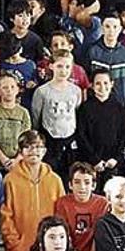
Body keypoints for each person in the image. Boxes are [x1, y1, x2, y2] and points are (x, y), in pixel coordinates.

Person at [0, 130, 65, 251]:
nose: (33, 151)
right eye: (28, 147)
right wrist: (15, 245)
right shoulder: (10, 179)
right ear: (21, 152)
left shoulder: (55, 180)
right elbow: (5, 215)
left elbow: (61, 216)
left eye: (38, 147)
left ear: (44, 151)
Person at [32, 49, 82, 179]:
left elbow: (76, 113)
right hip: (50, 140)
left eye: (67, 66)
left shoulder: (76, 91)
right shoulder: (42, 91)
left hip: (70, 139)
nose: (63, 70)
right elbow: (36, 117)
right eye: (59, 66)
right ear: (51, 66)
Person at [75, 70, 125, 186]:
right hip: (90, 163)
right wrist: (94, 160)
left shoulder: (119, 109)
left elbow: (124, 135)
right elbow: (81, 136)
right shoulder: (85, 108)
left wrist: (115, 158)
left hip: (112, 163)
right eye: (98, 83)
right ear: (92, 86)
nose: (102, 87)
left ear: (111, 84)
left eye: (105, 83)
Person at [53, 162, 110, 251]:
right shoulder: (63, 203)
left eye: (87, 182)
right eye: (77, 182)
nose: (82, 187)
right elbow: (63, 235)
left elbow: (100, 238)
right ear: (70, 185)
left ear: (94, 185)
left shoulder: (103, 204)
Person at [0, 72, 31, 170]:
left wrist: (17, 159)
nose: (9, 90)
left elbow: (27, 140)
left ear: (18, 90)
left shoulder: (23, 113)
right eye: (5, 88)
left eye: (12, 87)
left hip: (17, 163)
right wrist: (4, 159)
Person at [87, 11, 125, 104]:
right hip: (97, 103)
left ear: (120, 29)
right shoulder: (93, 51)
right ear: (102, 28)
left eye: (115, 27)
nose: (111, 31)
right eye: (107, 26)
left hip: (120, 104)